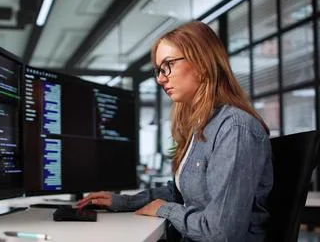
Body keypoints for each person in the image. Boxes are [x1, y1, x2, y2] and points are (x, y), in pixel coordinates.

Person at [76, 21, 273, 242]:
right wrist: (123, 202)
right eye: (159, 70)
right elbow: (180, 192)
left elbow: (220, 231)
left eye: (168, 64)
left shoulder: (234, 128)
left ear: (203, 63)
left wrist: (166, 210)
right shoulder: (201, 126)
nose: (160, 78)